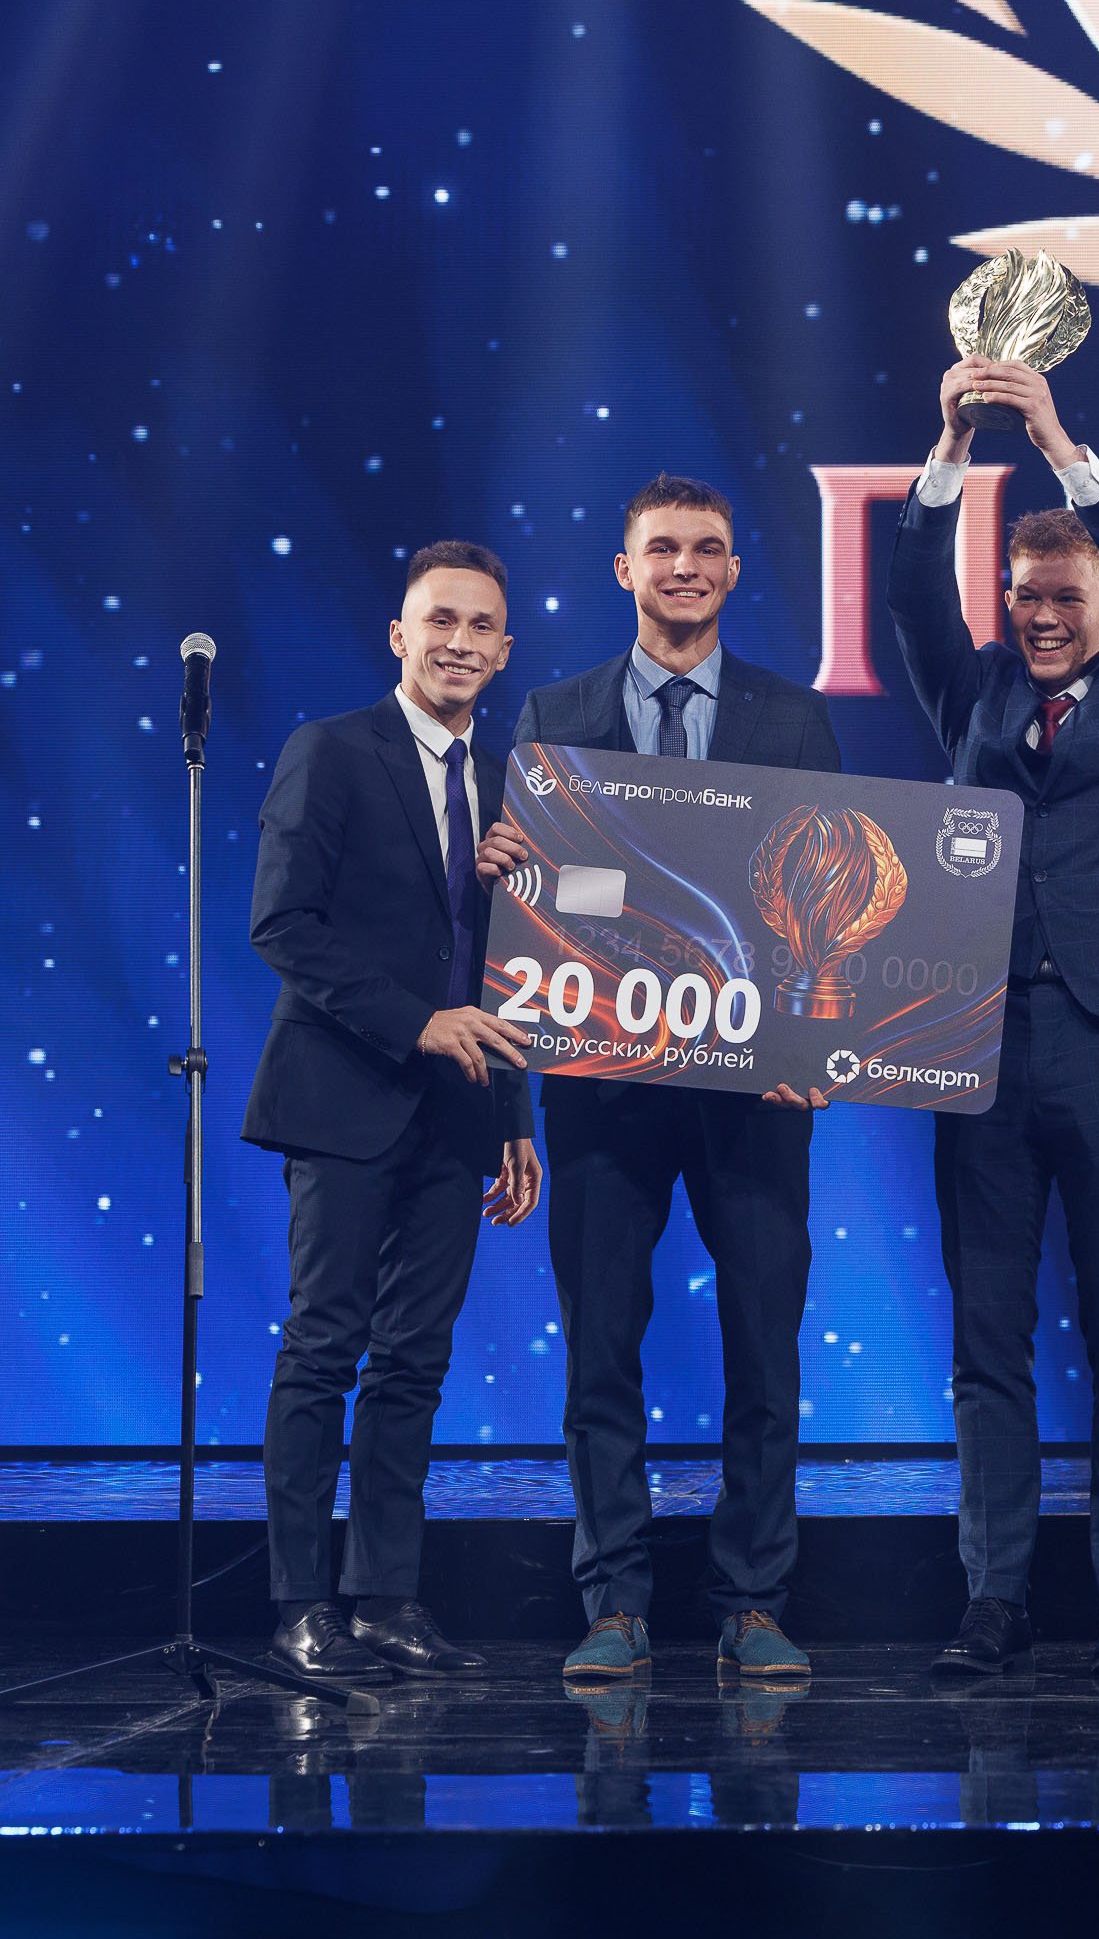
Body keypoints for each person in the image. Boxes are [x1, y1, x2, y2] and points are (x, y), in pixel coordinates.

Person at [477, 474, 840, 1685]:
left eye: (709, 548)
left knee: (766, 1353)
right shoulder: (555, 713)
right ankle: (614, 1602)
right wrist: (519, 872)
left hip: (757, 1094)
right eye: (664, 548)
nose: (686, 566)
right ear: (625, 569)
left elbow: (823, 906)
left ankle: (754, 1602)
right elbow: (552, 907)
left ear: (734, 569)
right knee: (600, 1355)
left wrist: (815, 1047)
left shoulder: (794, 719)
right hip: (602, 1088)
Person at [884, 357, 1099, 1679]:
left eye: (1068, 596)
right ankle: (995, 1592)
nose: (1044, 615)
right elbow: (913, 589)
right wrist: (951, 448)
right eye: (1026, 595)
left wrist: (1061, 439)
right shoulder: (976, 695)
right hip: (974, 1046)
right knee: (988, 1339)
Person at [242, 539, 544, 1683]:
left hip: (458, 1112)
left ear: (504, 650)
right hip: (344, 1094)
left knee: (415, 1359)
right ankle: (300, 1605)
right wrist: (415, 1023)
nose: (459, 641)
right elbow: (283, 925)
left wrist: (514, 1116)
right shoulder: (330, 750)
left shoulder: (509, 784)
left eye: (481, 626)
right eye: (440, 620)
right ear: (399, 635)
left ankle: (385, 1597)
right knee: (325, 1344)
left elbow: (507, 965)